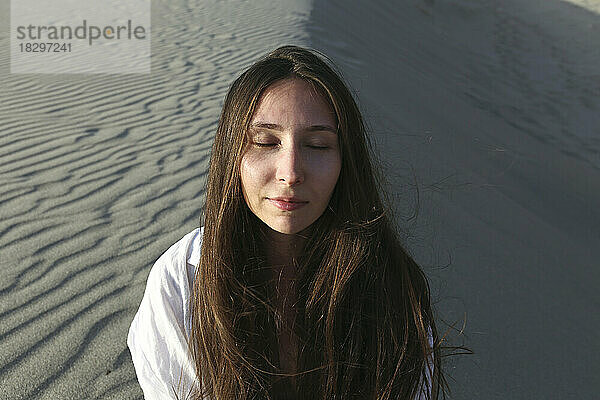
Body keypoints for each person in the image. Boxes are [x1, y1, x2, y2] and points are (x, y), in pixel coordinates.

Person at [128, 45, 446, 400]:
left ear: (346, 162)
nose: (291, 172)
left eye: (318, 145)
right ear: (231, 155)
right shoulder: (184, 278)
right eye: (265, 142)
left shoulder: (391, 284)